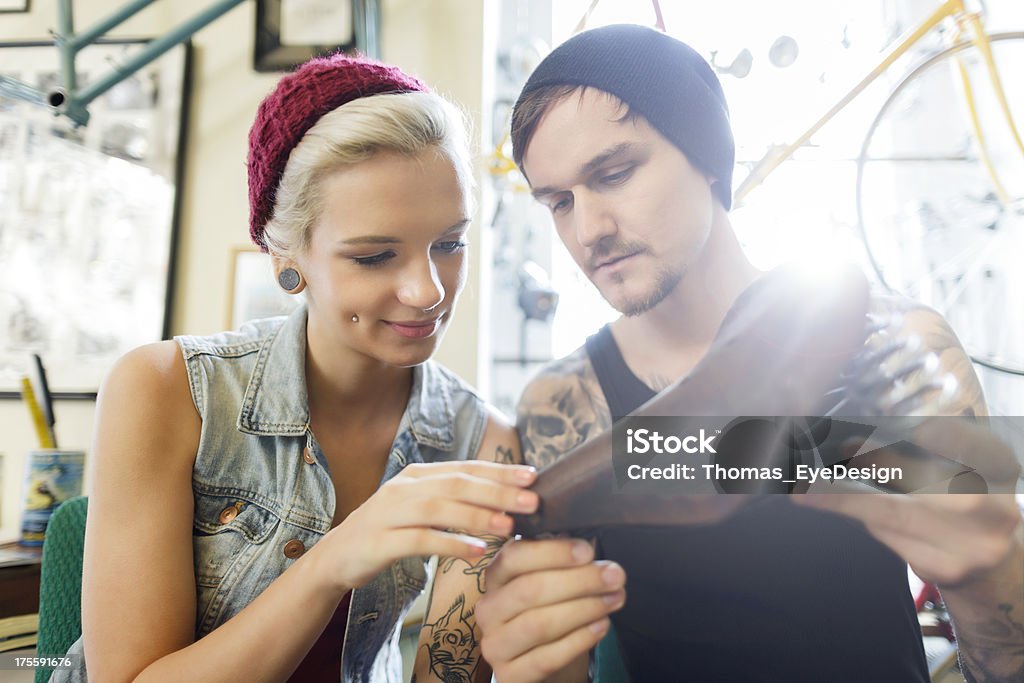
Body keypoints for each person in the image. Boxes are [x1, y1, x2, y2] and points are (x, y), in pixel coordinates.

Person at [474, 25, 1024, 682]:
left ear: (707, 155)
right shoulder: (562, 404)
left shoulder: (894, 347)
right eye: (559, 202)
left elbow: (1006, 664)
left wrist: (989, 574)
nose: (588, 230)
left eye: (614, 173)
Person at [53, 54, 541, 683]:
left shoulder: (481, 442)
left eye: (449, 244)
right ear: (288, 256)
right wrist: (336, 557)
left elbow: (449, 673)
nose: (428, 290)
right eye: (374, 256)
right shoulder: (166, 391)